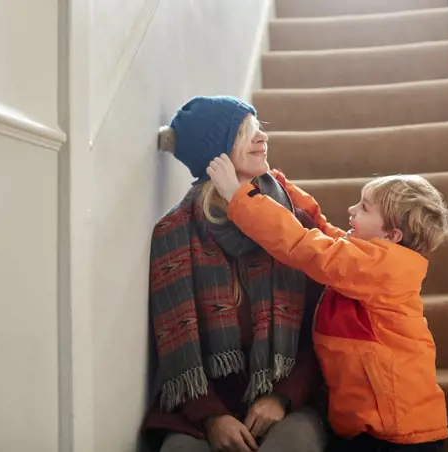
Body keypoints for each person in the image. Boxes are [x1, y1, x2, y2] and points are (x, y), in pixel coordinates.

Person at [206, 154, 448, 452]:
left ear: (391, 235)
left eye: (363, 208)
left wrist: (239, 197)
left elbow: (308, 246)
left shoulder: (384, 269)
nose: (351, 210)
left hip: (398, 434)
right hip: (364, 425)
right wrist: (282, 187)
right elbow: (322, 230)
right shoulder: (365, 259)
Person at [141, 96, 328, 452]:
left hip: (287, 395)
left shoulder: (290, 223)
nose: (262, 139)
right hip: (200, 402)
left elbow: (317, 333)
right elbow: (174, 346)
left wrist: (282, 399)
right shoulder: (175, 234)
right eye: (245, 133)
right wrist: (212, 417)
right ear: (214, 156)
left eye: (259, 129)